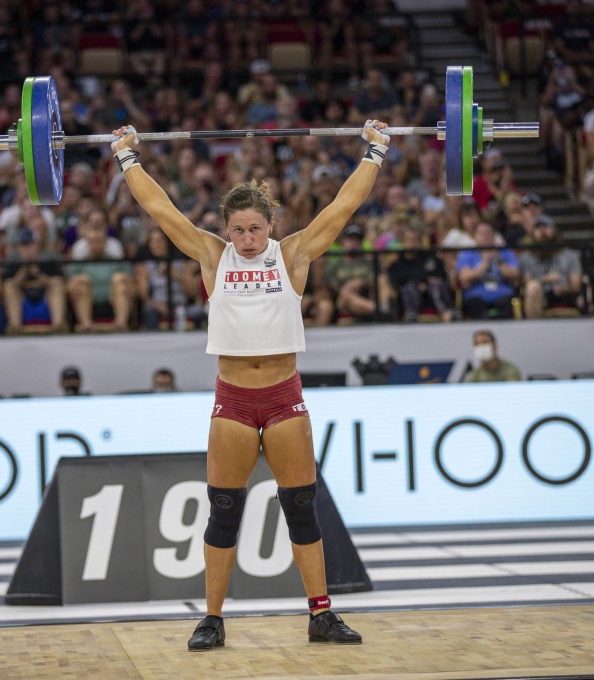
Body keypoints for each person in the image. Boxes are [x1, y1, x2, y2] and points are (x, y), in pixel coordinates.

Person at [108, 118, 392, 649]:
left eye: (255, 230)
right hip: (234, 401)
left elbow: (343, 206)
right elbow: (161, 210)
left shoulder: (293, 255)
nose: (246, 239)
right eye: (237, 231)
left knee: (300, 507)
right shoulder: (212, 256)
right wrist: (127, 158)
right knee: (224, 511)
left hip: (284, 398)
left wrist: (375, 151)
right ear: (226, 229)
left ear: (270, 226)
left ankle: (321, 614)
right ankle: (212, 619)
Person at [456, 222, 520, 320]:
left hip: (503, 294)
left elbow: (515, 274)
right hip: (476, 296)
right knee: (475, 305)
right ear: (475, 236)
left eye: (488, 233)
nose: (485, 237)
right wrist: (484, 263)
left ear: (494, 236)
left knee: (507, 304)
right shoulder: (467, 253)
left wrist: (498, 261)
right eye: (481, 234)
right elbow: (464, 277)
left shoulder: (506, 251)